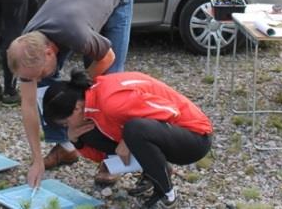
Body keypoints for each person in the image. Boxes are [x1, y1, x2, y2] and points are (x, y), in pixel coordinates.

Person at [6, 0, 133, 187]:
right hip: (73, 6)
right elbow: (28, 105)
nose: (35, 79)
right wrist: (37, 161)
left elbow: (108, 58)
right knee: (46, 89)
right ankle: (65, 147)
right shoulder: (28, 47)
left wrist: (79, 88)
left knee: (108, 85)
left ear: (48, 53)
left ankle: (112, 158)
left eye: (38, 73)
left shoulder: (76, 35)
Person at [43, 70, 212, 209]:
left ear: (77, 108)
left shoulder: (110, 102)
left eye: (66, 123)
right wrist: (76, 141)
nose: (67, 127)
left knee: (135, 130)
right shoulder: (92, 106)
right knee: (88, 133)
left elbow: (171, 111)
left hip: (195, 137)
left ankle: (167, 195)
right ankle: (155, 172)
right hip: (166, 134)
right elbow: (104, 157)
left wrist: (127, 140)